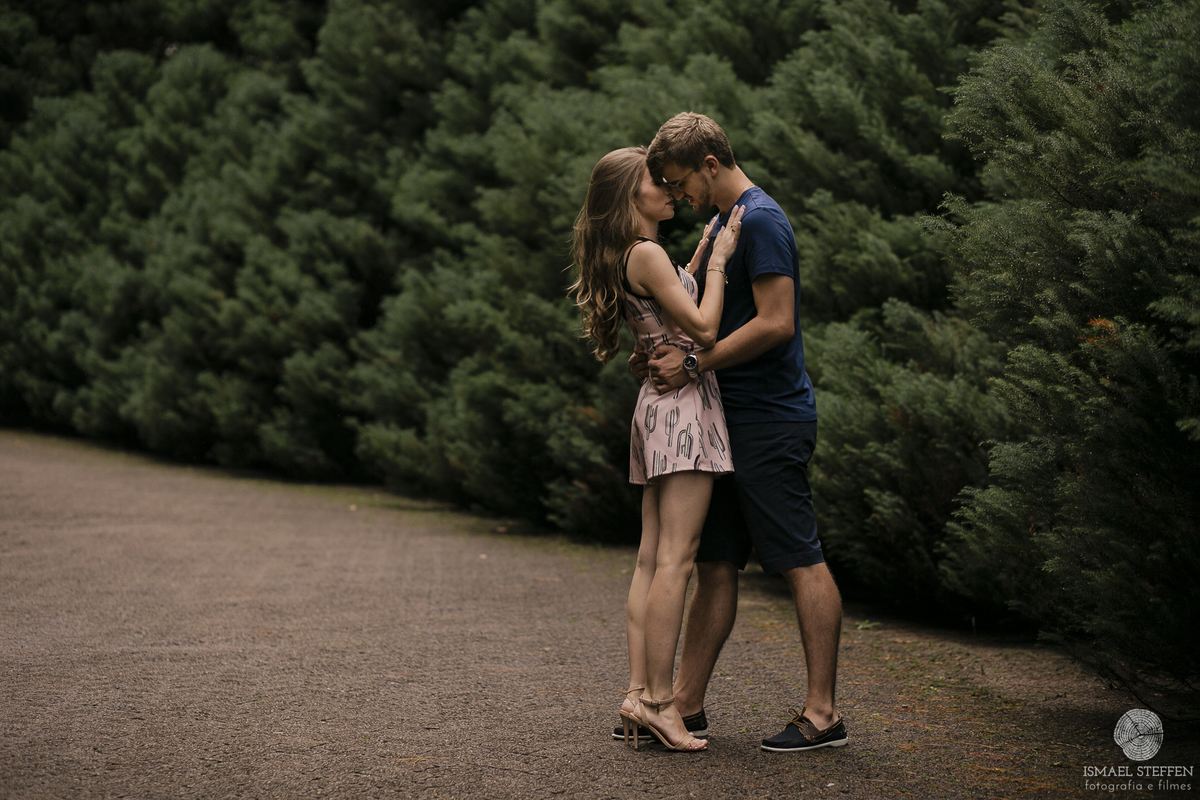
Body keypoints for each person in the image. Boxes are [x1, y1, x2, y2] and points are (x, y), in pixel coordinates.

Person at [633, 112, 848, 752]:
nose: (677, 197)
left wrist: (697, 361)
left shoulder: (760, 222)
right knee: (717, 564)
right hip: (723, 420)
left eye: (680, 183)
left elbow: (777, 322)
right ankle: (686, 708)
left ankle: (823, 714)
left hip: (771, 419)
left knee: (798, 557)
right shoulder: (725, 225)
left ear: (709, 164)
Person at [570, 146, 743, 752]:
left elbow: (672, 294)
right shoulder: (645, 253)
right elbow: (701, 328)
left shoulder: (633, 256)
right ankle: (664, 705)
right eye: (655, 179)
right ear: (630, 197)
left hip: (654, 409)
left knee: (650, 559)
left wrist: (698, 255)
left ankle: (639, 693)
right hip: (683, 411)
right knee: (677, 556)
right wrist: (720, 260)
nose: (669, 185)